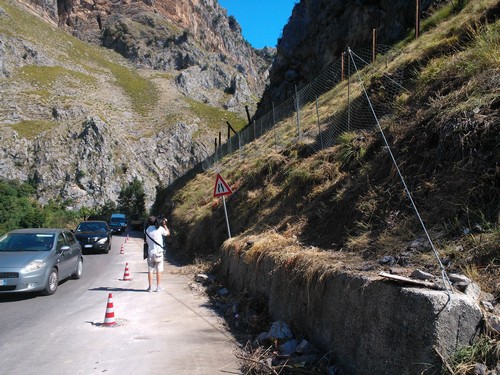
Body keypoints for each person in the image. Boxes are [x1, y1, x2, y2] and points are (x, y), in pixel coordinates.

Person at [144, 215, 170, 292]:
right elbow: (168, 234)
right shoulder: (160, 229)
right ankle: (158, 287)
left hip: (150, 253)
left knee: (150, 270)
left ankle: (150, 287)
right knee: (159, 270)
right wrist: (164, 224)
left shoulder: (146, 230)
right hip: (159, 253)